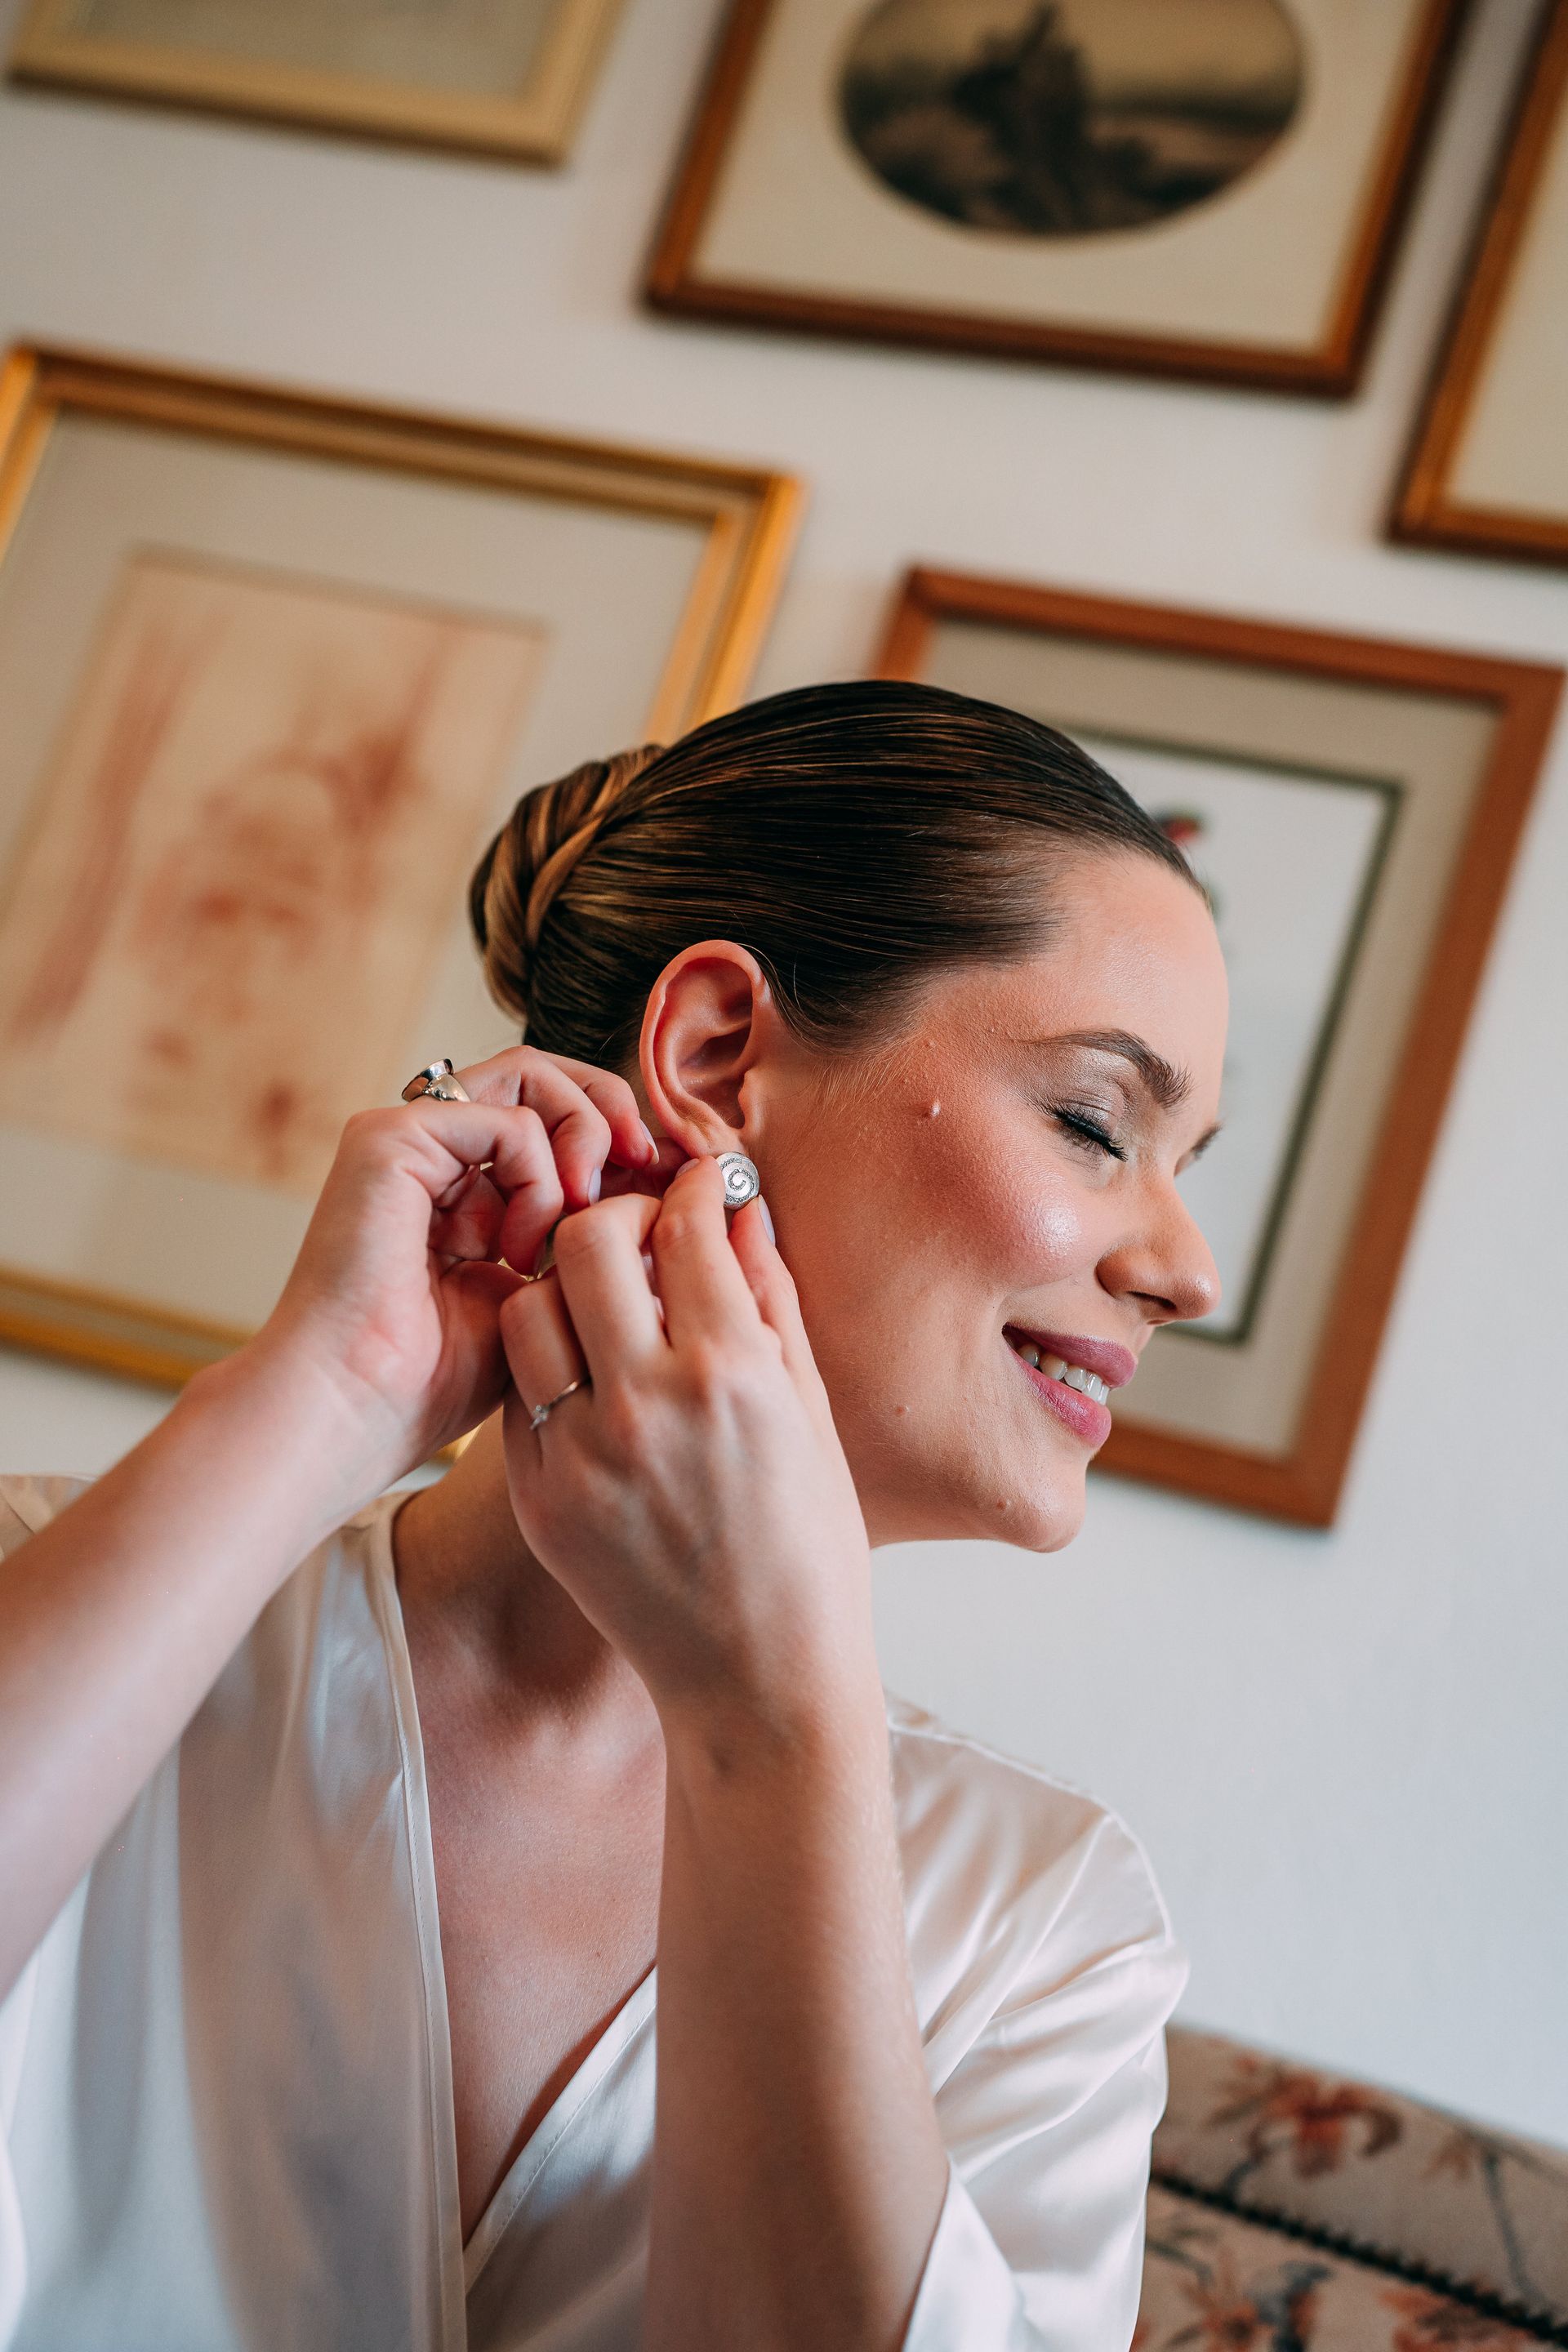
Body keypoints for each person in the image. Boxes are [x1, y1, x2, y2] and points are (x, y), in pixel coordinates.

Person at [0, 679, 1226, 2351]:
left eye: (1186, 1164)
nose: (1186, 1270)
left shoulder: (1044, 1924)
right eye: (1099, 1124)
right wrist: (331, 1384)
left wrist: (769, 1715)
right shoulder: (42, 1586)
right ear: (720, 1055)